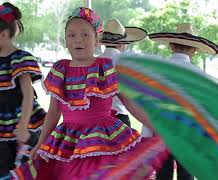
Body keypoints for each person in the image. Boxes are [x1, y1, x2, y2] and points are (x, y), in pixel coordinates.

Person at [11, 7, 167, 180]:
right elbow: (54, 112)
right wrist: (40, 143)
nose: (79, 40)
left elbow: (130, 103)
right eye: (72, 35)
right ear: (66, 40)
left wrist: (156, 127)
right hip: (68, 143)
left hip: (104, 140)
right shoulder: (60, 70)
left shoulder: (106, 67)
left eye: (85, 34)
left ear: (96, 40)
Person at [148, 23, 218, 180]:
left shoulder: (156, 71)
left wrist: (146, 135)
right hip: (188, 133)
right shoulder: (199, 76)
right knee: (186, 175)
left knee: (162, 175)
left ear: (171, 45)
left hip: (161, 131)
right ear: (194, 50)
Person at [0, 2, 45, 179]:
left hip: (20, 120)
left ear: (3, 34)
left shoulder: (19, 59)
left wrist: (24, 124)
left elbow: (27, 95)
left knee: (22, 168)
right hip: (2, 122)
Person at [98, 18, 148, 127]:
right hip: (120, 117)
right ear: (122, 44)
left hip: (97, 118)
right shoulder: (127, 64)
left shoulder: (94, 62)